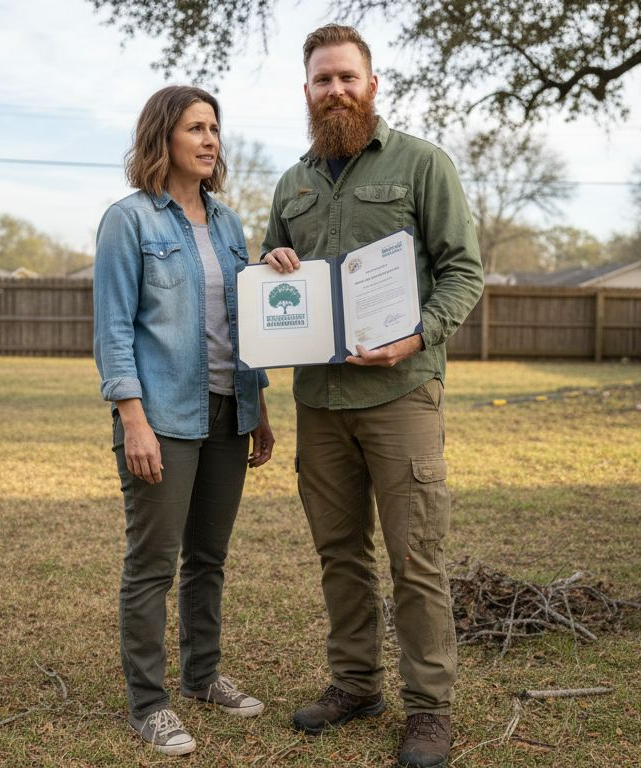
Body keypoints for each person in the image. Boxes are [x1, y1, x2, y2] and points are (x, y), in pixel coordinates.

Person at [260, 24, 483, 768]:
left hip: (400, 396)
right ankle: (355, 684)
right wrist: (273, 264)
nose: (336, 91)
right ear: (307, 91)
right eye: (323, 80)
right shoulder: (291, 184)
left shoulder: (422, 164)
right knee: (340, 554)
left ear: (372, 84)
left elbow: (464, 272)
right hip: (319, 402)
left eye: (348, 78)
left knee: (416, 556)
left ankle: (429, 712)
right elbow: (268, 283)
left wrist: (418, 336)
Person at [93, 85, 274, 757]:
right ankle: (149, 703)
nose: (210, 141)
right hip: (162, 416)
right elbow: (113, 330)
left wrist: (258, 405)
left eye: (215, 130)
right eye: (196, 128)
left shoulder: (228, 224)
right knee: (152, 565)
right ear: (163, 137)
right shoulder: (129, 221)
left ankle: (202, 678)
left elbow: (244, 323)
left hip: (230, 412)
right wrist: (132, 419)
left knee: (209, 558)